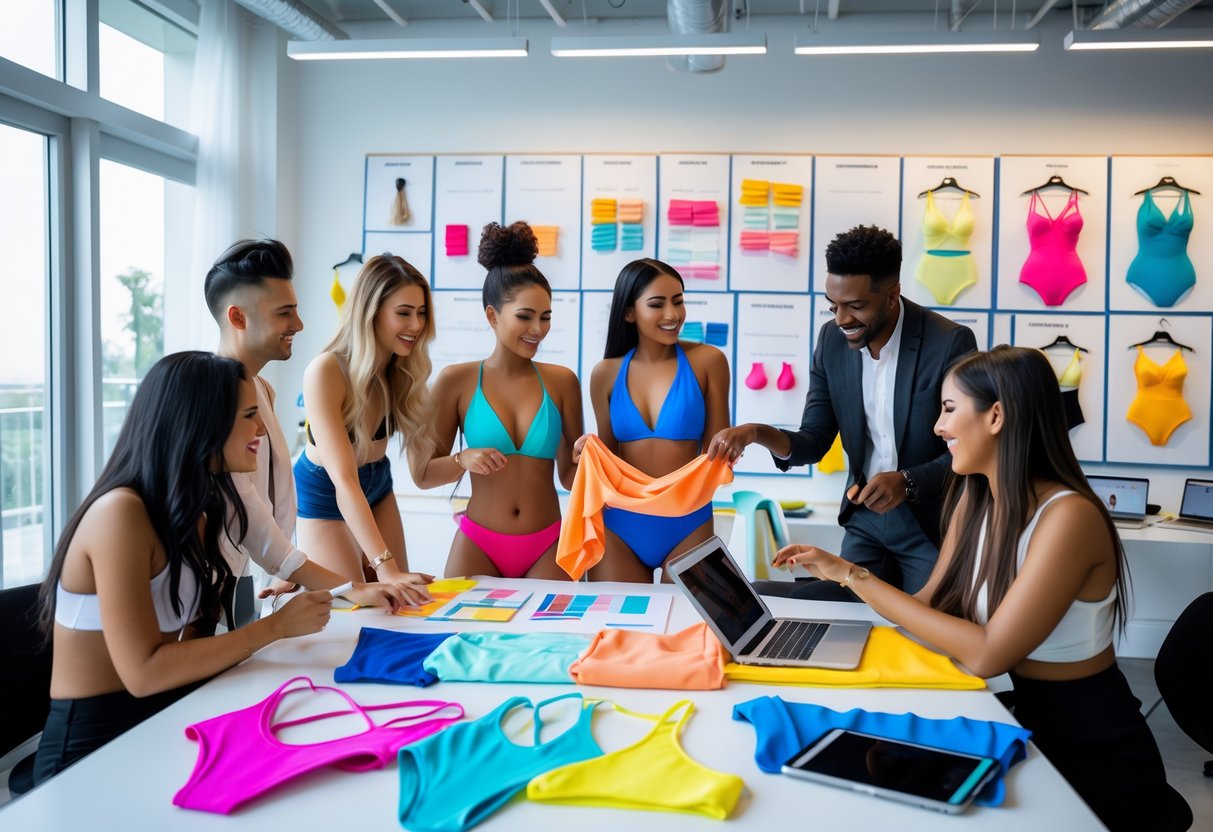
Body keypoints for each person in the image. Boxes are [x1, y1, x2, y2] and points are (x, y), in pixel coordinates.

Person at [771, 346, 1191, 832]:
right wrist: (833, 610)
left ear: (996, 416)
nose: (937, 428)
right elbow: (924, 609)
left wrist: (853, 575)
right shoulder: (976, 500)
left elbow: (989, 653)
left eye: (949, 410)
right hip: (1020, 713)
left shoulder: (1069, 517)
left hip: (1089, 745)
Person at [31, 352, 413, 785]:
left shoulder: (204, 502)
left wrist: (349, 591)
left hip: (160, 715)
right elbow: (144, 672)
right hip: (90, 746)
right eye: (250, 415)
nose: (263, 430)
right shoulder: (120, 514)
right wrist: (275, 629)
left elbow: (193, 640)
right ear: (201, 421)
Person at [709, 225, 976, 598]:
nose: (841, 319)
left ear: (891, 295)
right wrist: (755, 432)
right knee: (841, 610)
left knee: (924, 626)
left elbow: (971, 448)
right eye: (833, 305)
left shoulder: (948, 342)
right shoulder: (831, 341)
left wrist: (908, 481)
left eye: (855, 306)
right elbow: (813, 441)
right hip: (865, 519)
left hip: (929, 524)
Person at [412, 222, 583, 579]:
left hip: (549, 543)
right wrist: (462, 458)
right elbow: (423, 475)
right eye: (525, 316)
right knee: (459, 634)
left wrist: (585, 458)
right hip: (479, 543)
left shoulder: (563, 381)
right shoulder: (456, 381)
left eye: (545, 317)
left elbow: (569, 478)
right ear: (492, 315)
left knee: (552, 637)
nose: (538, 329)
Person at [574, 258, 730, 581]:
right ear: (629, 312)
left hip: (689, 521)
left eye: (678, 301)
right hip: (621, 524)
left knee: (687, 628)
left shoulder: (709, 362)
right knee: (618, 629)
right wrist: (586, 449)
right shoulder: (605, 374)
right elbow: (608, 458)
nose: (672, 315)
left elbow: (718, 454)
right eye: (657, 304)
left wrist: (739, 441)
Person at [293, 254, 437, 589]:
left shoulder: (400, 371)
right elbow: (344, 480)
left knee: (399, 601)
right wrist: (386, 570)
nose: (416, 325)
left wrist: (466, 459)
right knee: (351, 610)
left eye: (421, 313)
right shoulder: (326, 370)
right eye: (403, 313)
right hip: (326, 491)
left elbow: (423, 472)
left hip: (377, 484)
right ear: (370, 312)